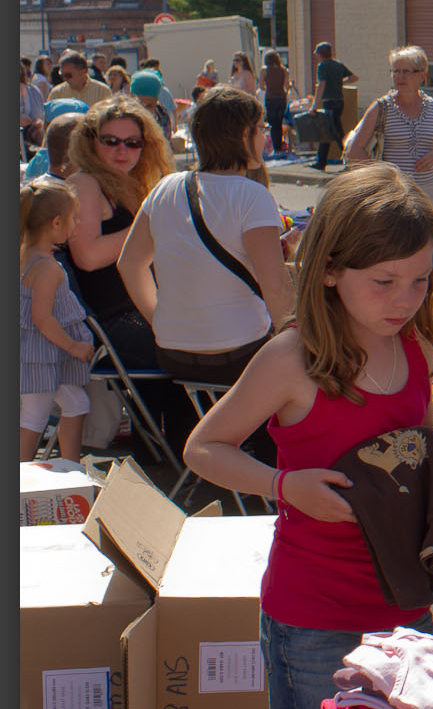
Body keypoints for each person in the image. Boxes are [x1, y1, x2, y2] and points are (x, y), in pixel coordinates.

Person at [183, 162, 433, 709]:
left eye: (420, 280)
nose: (404, 299)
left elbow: (420, 444)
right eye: (383, 281)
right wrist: (284, 485)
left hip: (407, 605)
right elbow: (203, 448)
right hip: (314, 620)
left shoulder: (421, 345)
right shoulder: (292, 358)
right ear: (330, 269)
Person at [116, 85, 297, 393]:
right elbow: (275, 286)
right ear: (243, 135)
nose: (265, 136)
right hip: (239, 353)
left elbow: (129, 263)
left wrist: (158, 318)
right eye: (261, 128)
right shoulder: (253, 196)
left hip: (172, 351)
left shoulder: (165, 187)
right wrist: (301, 343)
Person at [67, 97, 193, 461]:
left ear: (146, 144)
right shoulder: (86, 183)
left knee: (207, 337)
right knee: (197, 348)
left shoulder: (136, 184)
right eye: (111, 141)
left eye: (132, 142)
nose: (122, 150)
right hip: (114, 319)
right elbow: (87, 257)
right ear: (91, 141)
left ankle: (175, 455)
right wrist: (153, 227)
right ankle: (182, 460)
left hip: (144, 307)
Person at [20, 176, 95, 460]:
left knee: (76, 403)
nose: (76, 224)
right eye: (73, 218)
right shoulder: (48, 268)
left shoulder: (25, 256)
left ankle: (70, 469)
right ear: (55, 223)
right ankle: (22, 480)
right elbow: (43, 318)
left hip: (45, 358)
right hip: (42, 357)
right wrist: (73, 346)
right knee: (34, 416)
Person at [344, 45, 433, 207]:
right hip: (392, 194)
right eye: (396, 71)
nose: (399, 77)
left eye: (406, 71)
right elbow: (354, 151)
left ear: (422, 75)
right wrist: (383, 177)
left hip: (426, 192)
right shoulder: (380, 108)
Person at [307, 42, 357, 172]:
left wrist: (313, 106)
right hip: (339, 101)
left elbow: (321, 85)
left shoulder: (322, 66)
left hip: (329, 102)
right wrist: (340, 82)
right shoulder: (338, 65)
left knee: (336, 133)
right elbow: (354, 77)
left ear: (320, 54)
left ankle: (349, 159)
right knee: (328, 131)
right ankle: (321, 161)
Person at [259, 51, 293, 158]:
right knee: (279, 123)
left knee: (273, 125)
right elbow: (287, 87)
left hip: (270, 98)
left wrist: (268, 87)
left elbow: (261, 86)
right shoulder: (284, 70)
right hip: (281, 98)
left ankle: (276, 148)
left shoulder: (264, 71)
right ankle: (281, 146)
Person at [128, 69, 172, 137]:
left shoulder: (162, 116)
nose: (144, 111)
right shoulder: (123, 118)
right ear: (132, 98)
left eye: (148, 106)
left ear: (156, 100)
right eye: (140, 105)